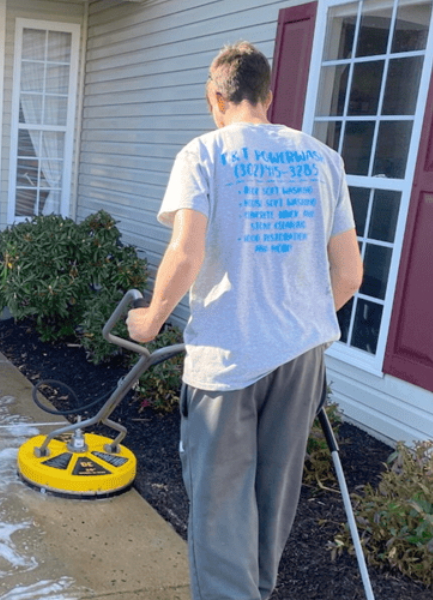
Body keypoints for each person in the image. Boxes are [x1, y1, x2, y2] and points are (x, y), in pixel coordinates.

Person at [126, 42, 363, 600]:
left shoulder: (204, 153)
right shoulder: (323, 158)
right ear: (268, 95)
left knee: (219, 508)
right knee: (272, 498)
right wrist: (296, 321)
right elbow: (349, 275)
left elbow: (186, 253)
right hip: (301, 359)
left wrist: (151, 319)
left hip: (227, 359)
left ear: (216, 96)